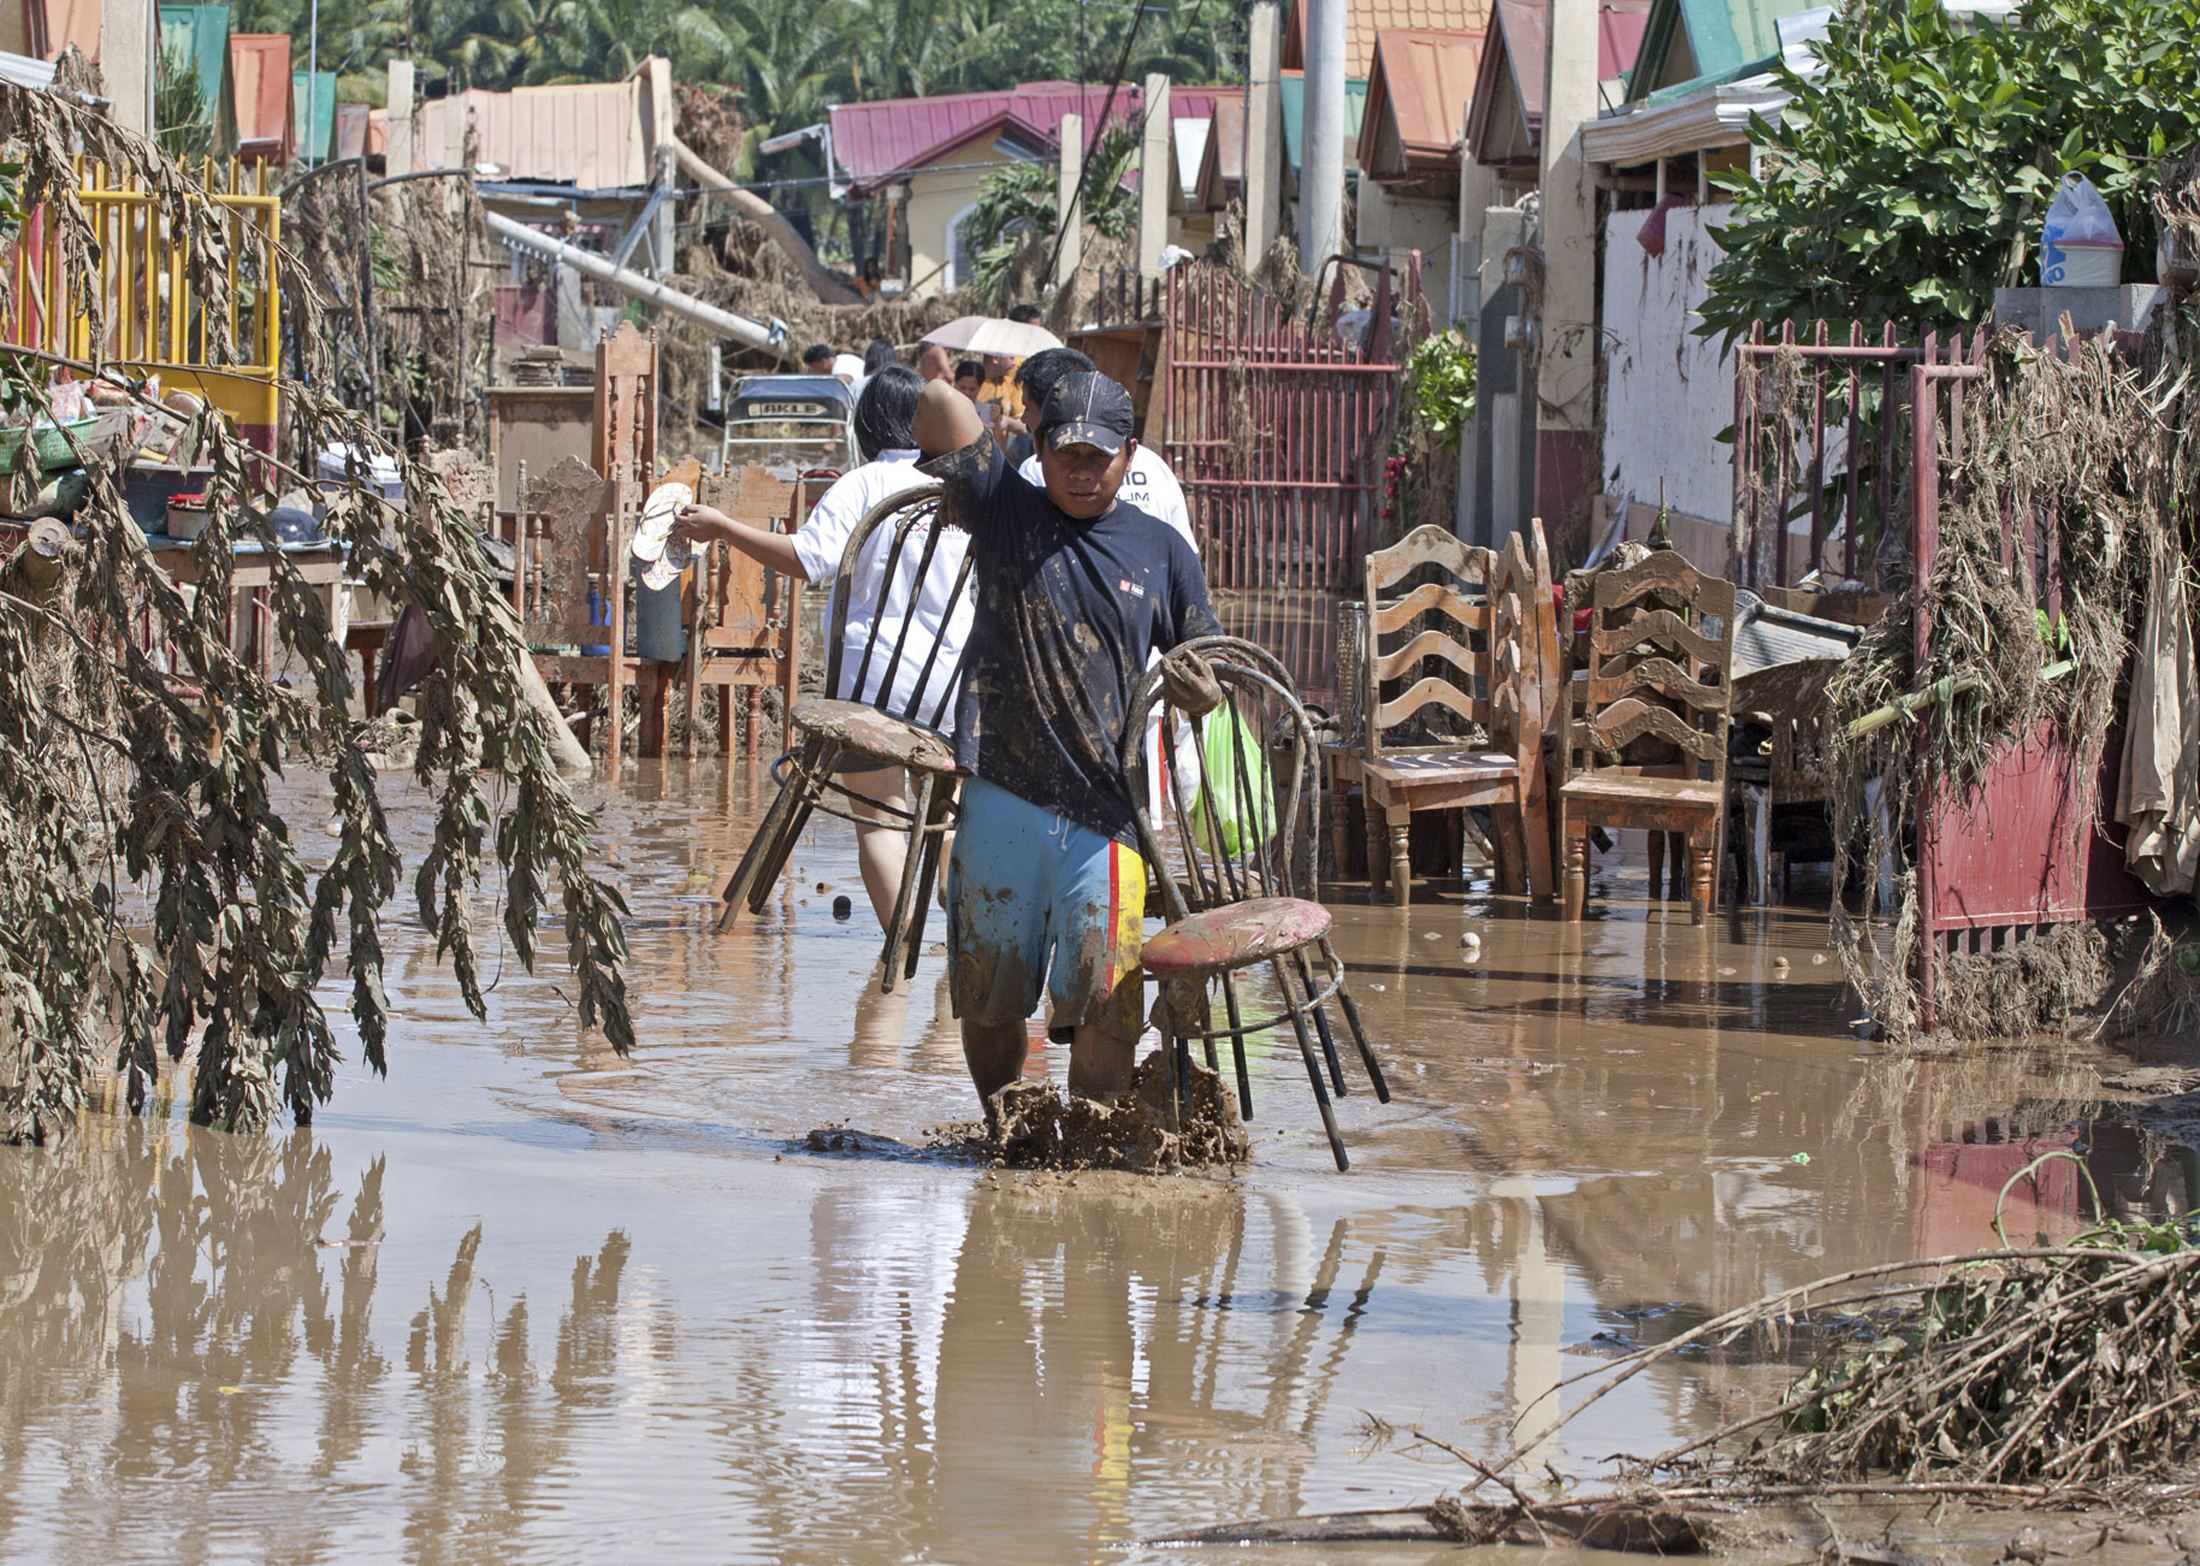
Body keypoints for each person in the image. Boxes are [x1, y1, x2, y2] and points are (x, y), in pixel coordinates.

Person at [912, 370, 1222, 1114]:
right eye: (1066, 452)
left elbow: (1207, 655)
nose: (1082, 471)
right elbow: (933, 405)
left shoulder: (1161, 550)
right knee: (987, 1002)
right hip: (1000, 797)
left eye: (1100, 457)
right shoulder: (1003, 507)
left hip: (1108, 819)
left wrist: (1201, 686)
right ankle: (1004, 1132)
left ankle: (1091, 1149)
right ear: (1039, 447)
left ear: (1131, 456)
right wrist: (998, 422)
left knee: (1107, 1004)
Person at [672, 366, 972, 932]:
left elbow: (806, 561)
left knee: (881, 821)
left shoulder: (859, 485)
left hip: (871, 688)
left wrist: (723, 527)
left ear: (864, 425)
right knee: (950, 818)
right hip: (952, 687)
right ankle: (961, 948)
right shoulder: (956, 489)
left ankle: (899, 950)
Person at [1006, 348, 1196, 551]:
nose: (1024, 418)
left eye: (1028, 406)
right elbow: (1186, 554)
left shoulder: (1039, 468)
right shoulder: (1155, 465)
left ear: (1053, 404)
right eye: (1070, 453)